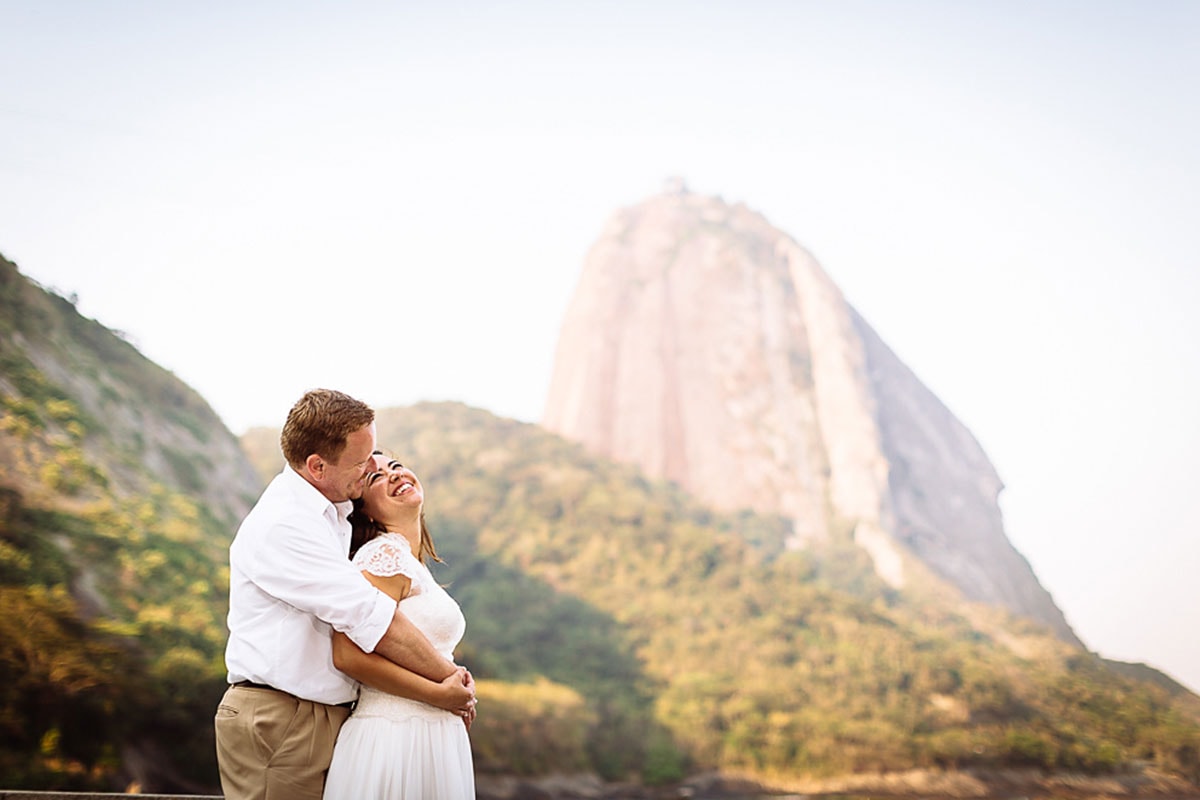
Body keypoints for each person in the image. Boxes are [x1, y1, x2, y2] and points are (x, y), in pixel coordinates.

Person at [214, 389, 475, 800]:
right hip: (281, 718)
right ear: (317, 466)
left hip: (326, 717)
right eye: (363, 463)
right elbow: (367, 617)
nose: (374, 467)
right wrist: (447, 684)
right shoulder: (286, 524)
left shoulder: (334, 513)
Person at [322, 452, 475, 799]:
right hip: (396, 736)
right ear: (364, 511)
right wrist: (439, 694)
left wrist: (455, 682)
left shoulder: (410, 563)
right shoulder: (384, 556)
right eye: (375, 477)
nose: (394, 474)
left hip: (430, 733)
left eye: (396, 466)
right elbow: (347, 655)